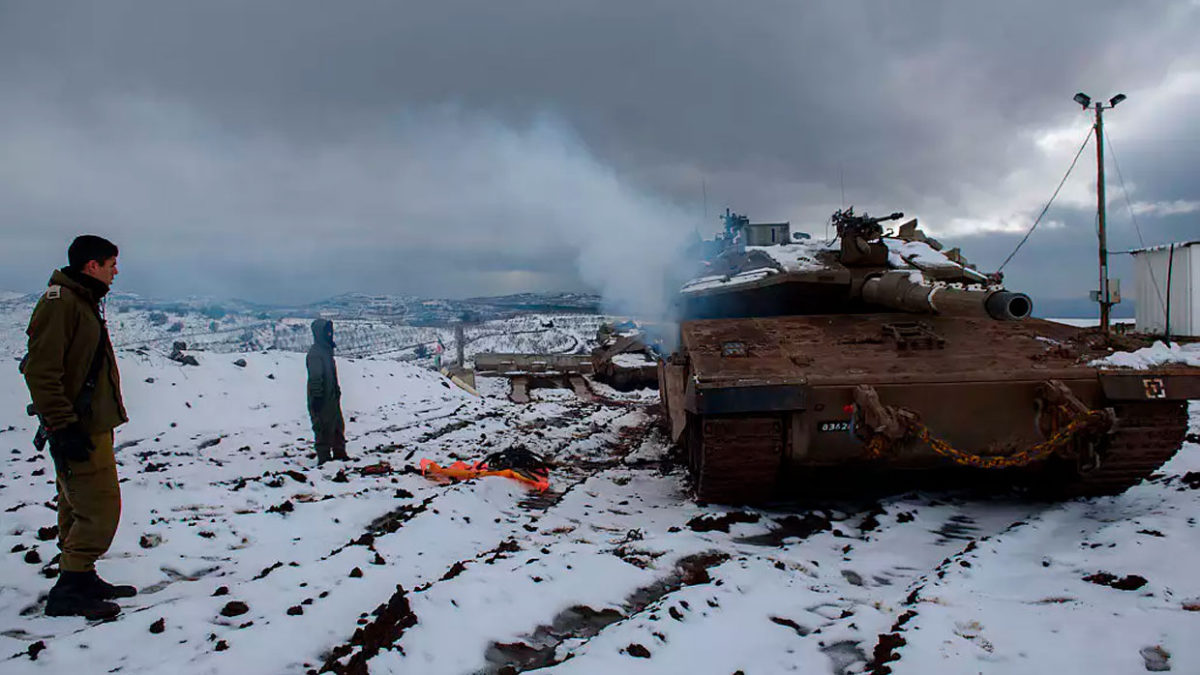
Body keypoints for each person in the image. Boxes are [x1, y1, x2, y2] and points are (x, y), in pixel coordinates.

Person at [22, 235, 134, 620]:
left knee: (76, 503)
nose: (115, 270)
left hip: (87, 424)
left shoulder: (81, 301)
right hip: (78, 427)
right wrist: (62, 425)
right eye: (111, 263)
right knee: (101, 508)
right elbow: (41, 370)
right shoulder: (63, 304)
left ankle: (81, 576)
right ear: (92, 266)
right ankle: (70, 589)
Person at [307, 318, 349, 465]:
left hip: (331, 397)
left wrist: (337, 392)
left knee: (337, 425)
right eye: (327, 332)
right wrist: (317, 397)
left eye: (331, 332)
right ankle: (324, 458)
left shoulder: (326, 351)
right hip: (321, 398)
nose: (330, 334)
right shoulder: (316, 354)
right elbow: (316, 378)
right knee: (322, 427)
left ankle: (340, 453)